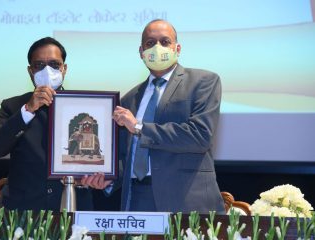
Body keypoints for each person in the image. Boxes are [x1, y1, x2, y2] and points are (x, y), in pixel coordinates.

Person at [82, 19, 225, 213]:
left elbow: (200, 136)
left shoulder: (203, 82)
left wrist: (140, 127)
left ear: (177, 48)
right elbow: (126, 154)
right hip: (137, 199)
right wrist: (109, 178)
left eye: (165, 42)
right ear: (141, 52)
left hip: (186, 199)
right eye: (150, 43)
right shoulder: (130, 98)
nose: (157, 48)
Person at [0, 37, 93, 211]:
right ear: (30, 71)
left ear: (64, 69)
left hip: (73, 205)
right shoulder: (13, 106)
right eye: (39, 65)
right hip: (24, 210)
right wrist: (28, 110)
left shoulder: (86, 107)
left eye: (54, 64)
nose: (47, 71)